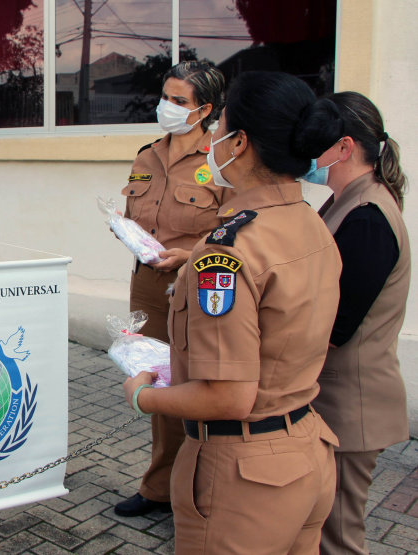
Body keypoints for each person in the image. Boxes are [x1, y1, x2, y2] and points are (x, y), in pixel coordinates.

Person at [122, 71, 344, 553]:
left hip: (244, 475)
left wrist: (144, 394)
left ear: (239, 142)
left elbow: (228, 397)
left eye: (219, 123)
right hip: (308, 451)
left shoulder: (226, 253)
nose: (214, 137)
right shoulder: (312, 222)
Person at [114, 61, 230, 517]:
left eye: (179, 101)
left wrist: (192, 255)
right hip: (147, 287)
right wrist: (123, 230)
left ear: (204, 110)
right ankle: (160, 488)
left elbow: (239, 227)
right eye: (166, 97)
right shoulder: (147, 155)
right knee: (158, 385)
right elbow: (132, 214)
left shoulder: (222, 159)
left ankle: (203, 493)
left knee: (197, 388)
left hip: (199, 285)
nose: (167, 106)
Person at [306, 92, 411, 555]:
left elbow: (339, 322)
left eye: (314, 139)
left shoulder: (368, 216)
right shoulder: (344, 200)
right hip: (333, 398)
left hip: (352, 406)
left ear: (344, 147)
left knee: (339, 537)